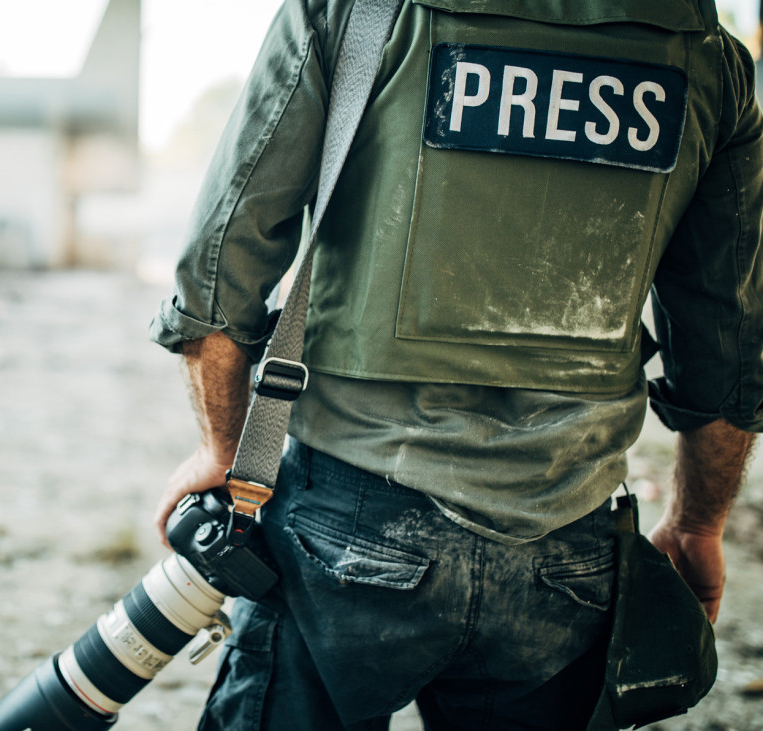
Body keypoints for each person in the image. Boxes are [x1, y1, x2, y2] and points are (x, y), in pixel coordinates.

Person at [148, 0, 763, 728]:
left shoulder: (356, 13)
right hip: (568, 542)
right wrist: (697, 523)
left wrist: (223, 446)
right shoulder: (709, 60)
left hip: (344, 524)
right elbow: (730, 345)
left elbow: (219, 271)